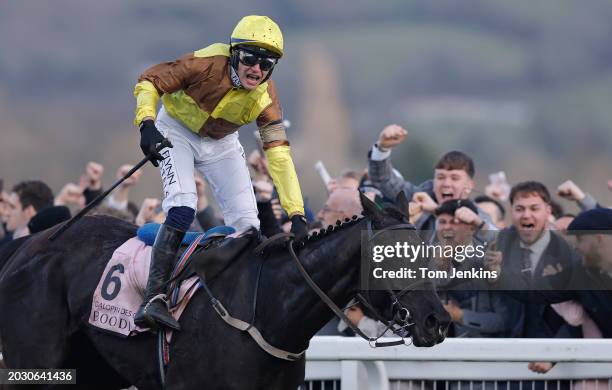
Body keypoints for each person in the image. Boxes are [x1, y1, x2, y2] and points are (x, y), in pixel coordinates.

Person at [132, 15, 307, 330]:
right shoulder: (205, 62)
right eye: (250, 58)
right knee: (183, 204)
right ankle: (153, 297)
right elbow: (149, 80)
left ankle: (238, 299)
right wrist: (146, 123)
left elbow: (279, 155)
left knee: (248, 226)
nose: (257, 69)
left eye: (266, 63)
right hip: (177, 131)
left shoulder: (266, 97)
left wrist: (297, 213)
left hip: (222, 143)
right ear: (234, 53)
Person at [368, 124, 496, 243]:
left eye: (454, 178)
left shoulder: (475, 216)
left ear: (469, 186)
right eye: (440, 177)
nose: (446, 183)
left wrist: (437, 210)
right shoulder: (418, 197)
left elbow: (497, 241)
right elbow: (384, 181)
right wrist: (383, 148)